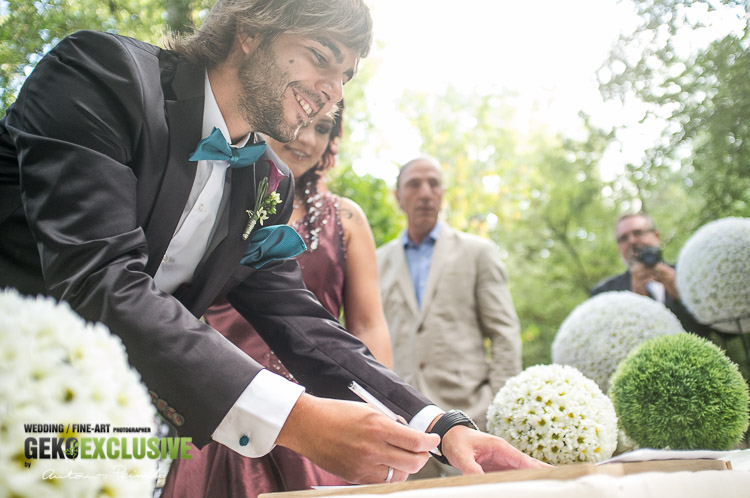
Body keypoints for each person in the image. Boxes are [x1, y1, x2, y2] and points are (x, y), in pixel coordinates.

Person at [0, 0, 544, 485]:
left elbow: (304, 325)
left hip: (105, 436)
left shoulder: (268, 182)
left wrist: (440, 428)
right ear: (251, 28)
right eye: (320, 54)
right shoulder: (101, 74)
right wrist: (296, 419)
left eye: (346, 76)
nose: (333, 90)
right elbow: (99, 278)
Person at [163, 103, 395, 496]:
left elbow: (368, 325)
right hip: (227, 399)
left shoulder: (347, 219)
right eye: (303, 123)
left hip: (319, 417)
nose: (307, 139)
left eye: (322, 129)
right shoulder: (217, 203)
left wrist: (383, 414)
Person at [377, 156, 523, 478]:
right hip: (402, 429)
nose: (425, 192)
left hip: (472, 419)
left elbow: (504, 333)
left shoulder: (478, 252)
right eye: (414, 184)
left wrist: (499, 408)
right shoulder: (375, 262)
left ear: (443, 193)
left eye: (434, 183)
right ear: (398, 196)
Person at [591, 212, 715, 337]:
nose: (632, 241)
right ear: (619, 247)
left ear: (656, 235)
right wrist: (635, 301)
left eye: (638, 233)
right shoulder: (606, 293)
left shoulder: (688, 274)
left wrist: (681, 294)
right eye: (624, 238)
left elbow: (723, 330)